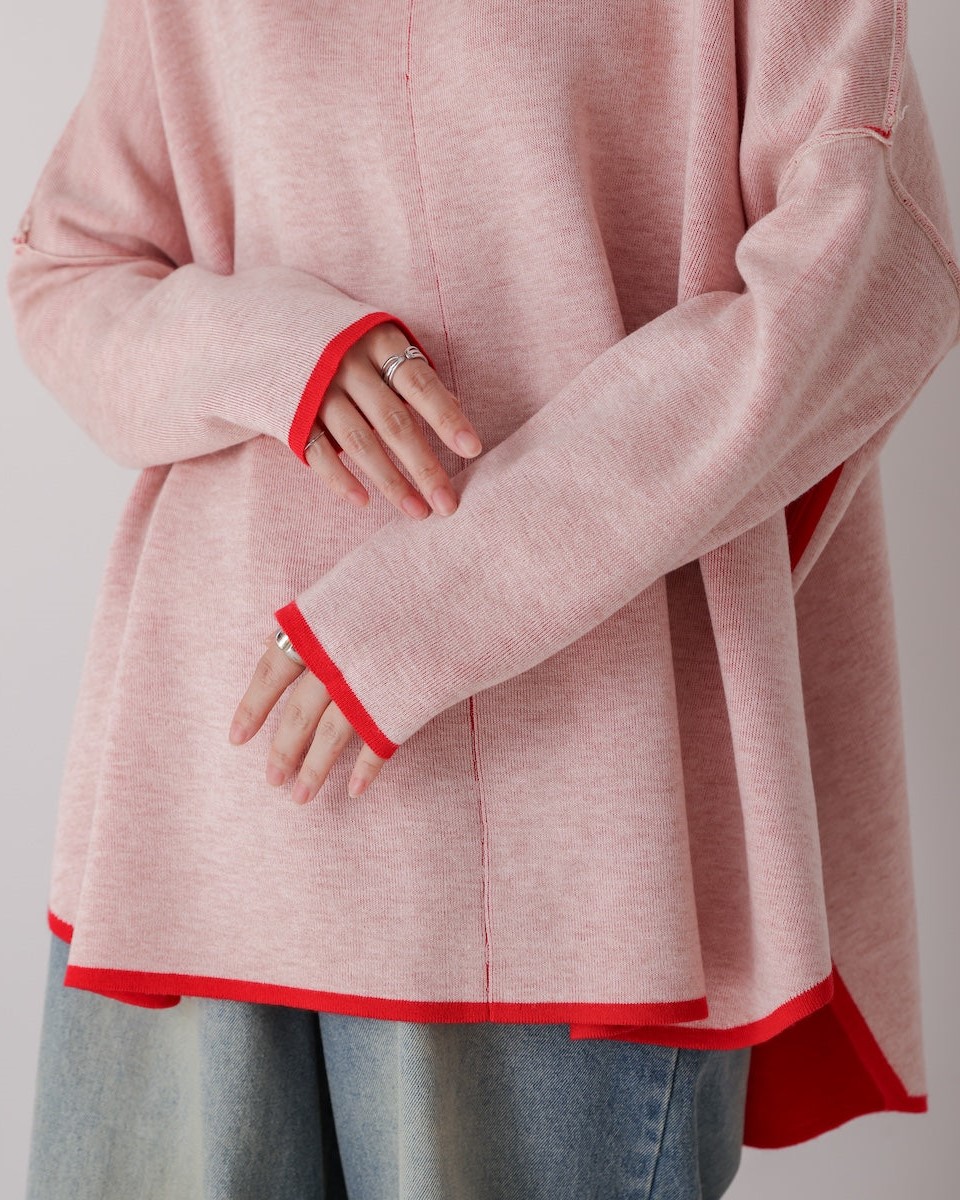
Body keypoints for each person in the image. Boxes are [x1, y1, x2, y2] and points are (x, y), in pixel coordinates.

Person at [7, 0, 959, 1196]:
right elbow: (66, 269)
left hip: (559, 823)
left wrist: (431, 606)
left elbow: (865, 273)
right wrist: (277, 352)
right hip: (201, 813)